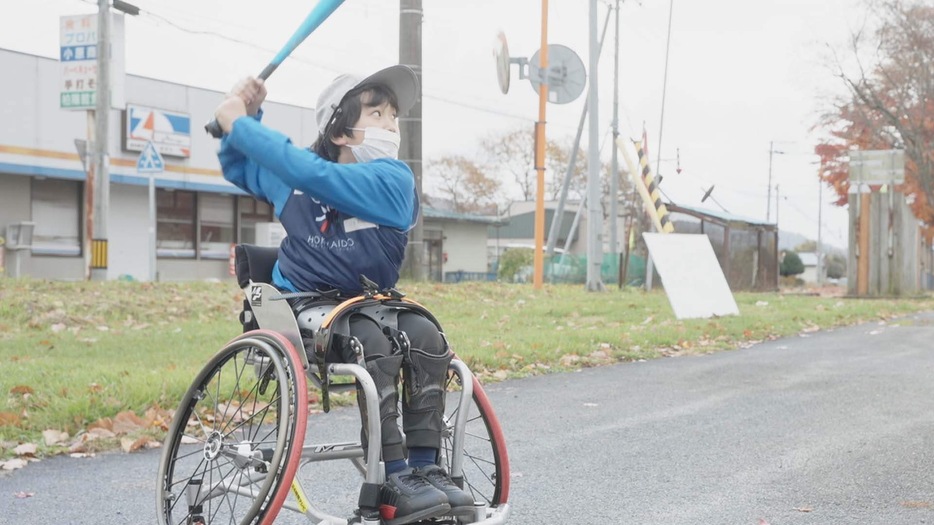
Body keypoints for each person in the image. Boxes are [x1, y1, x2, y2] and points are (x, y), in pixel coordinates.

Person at [213, 66, 474, 525]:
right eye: (377, 113)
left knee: (425, 332)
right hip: (302, 307)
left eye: (393, 116)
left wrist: (241, 120)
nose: (391, 125)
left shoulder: (393, 180)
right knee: (372, 339)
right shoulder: (296, 181)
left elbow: (309, 171)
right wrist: (243, 116)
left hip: (369, 300)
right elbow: (241, 166)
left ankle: (426, 467)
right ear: (339, 130)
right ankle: (393, 478)